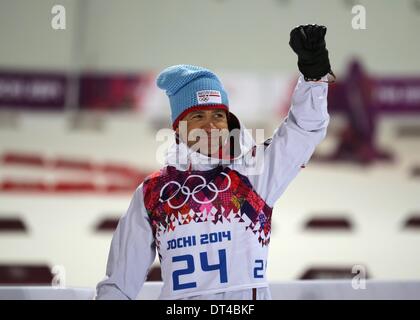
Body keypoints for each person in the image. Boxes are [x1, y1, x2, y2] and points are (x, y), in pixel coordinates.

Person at [96, 24, 334, 300]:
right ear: (178, 128)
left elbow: (304, 130)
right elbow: (119, 283)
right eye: (197, 117)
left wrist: (314, 76)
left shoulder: (254, 172)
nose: (210, 126)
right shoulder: (153, 193)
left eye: (218, 116)